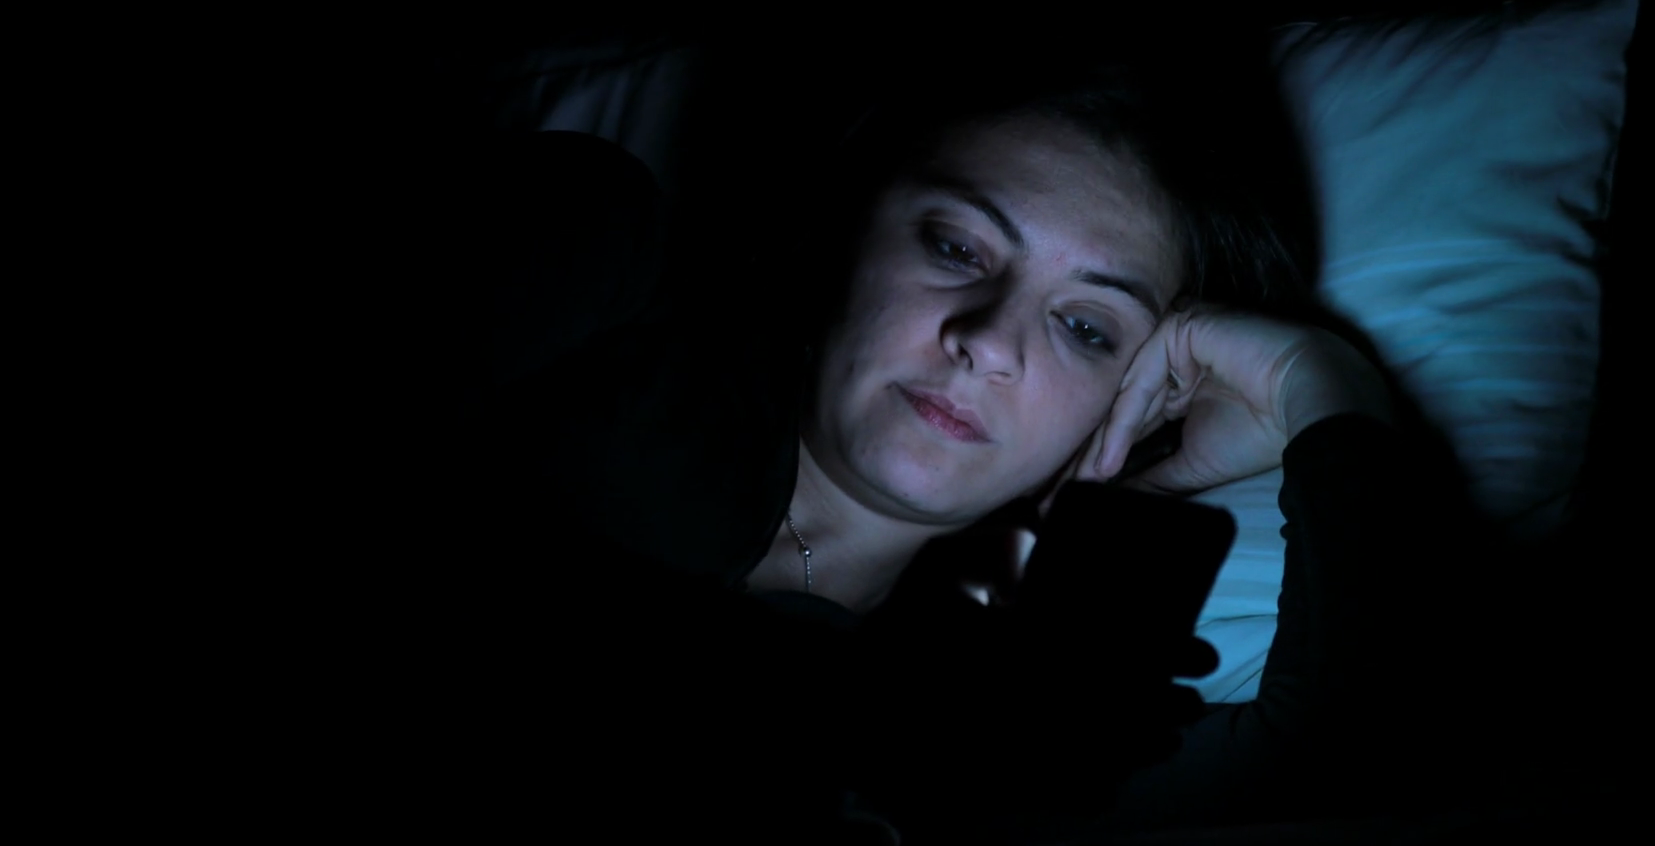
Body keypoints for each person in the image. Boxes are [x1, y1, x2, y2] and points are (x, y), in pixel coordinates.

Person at [351, 45, 1474, 840]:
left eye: (1086, 327)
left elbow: (1348, 760)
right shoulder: (602, 256)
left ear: (1129, 397)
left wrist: (1326, 390)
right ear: (850, 221)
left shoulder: (1013, 710)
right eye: (956, 246)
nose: (985, 341)